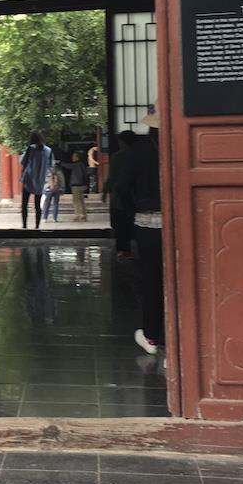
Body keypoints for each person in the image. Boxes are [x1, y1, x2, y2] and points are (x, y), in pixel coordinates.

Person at [120, 106, 162, 354]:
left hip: (147, 224)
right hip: (181, 224)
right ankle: (178, 336)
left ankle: (151, 336)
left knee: (151, 280)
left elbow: (123, 188)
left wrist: (132, 212)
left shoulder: (138, 152)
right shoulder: (183, 144)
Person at [103, 131, 137, 260]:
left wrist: (106, 191)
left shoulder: (117, 157)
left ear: (122, 142)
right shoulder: (138, 156)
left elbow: (112, 177)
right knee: (130, 222)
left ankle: (123, 249)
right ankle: (132, 247)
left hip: (119, 194)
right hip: (135, 194)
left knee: (120, 224)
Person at [20, 131, 54, 229]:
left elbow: (23, 162)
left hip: (28, 179)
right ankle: (37, 226)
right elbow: (51, 166)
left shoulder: (30, 149)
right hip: (40, 180)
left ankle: (24, 225)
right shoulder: (48, 150)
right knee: (37, 205)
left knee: (24, 204)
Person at [61, 151, 88, 222]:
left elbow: (67, 165)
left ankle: (78, 215)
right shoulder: (82, 164)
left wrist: (60, 163)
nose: (72, 157)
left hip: (76, 185)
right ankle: (83, 215)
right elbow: (85, 175)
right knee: (81, 201)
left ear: (77, 157)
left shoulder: (76, 165)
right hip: (82, 185)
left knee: (76, 201)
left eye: (74, 156)